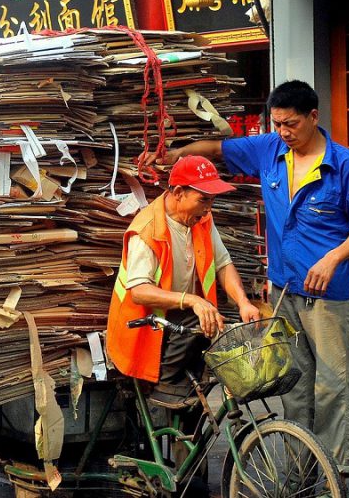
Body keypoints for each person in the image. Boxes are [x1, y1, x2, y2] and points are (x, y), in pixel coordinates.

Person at [151, 80, 349, 477]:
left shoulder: (345, 165)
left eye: (290, 124)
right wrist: (178, 152)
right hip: (285, 289)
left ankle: (335, 470)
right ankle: (298, 468)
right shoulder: (270, 150)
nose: (284, 132)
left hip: (330, 297)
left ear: (313, 117)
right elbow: (219, 149)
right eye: (277, 124)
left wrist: (332, 259)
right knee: (294, 385)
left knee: (333, 385)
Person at [107, 155, 261, 403]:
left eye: (212, 200)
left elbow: (223, 264)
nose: (208, 208)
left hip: (179, 328)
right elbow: (138, 290)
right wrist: (192, 300)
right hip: (144, 330)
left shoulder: (201, 220)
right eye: (204, 200)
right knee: (197, 315)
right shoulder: (148, 229)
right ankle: (166, 385)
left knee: (218, 323)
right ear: (178, 193)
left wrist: (243, 302)